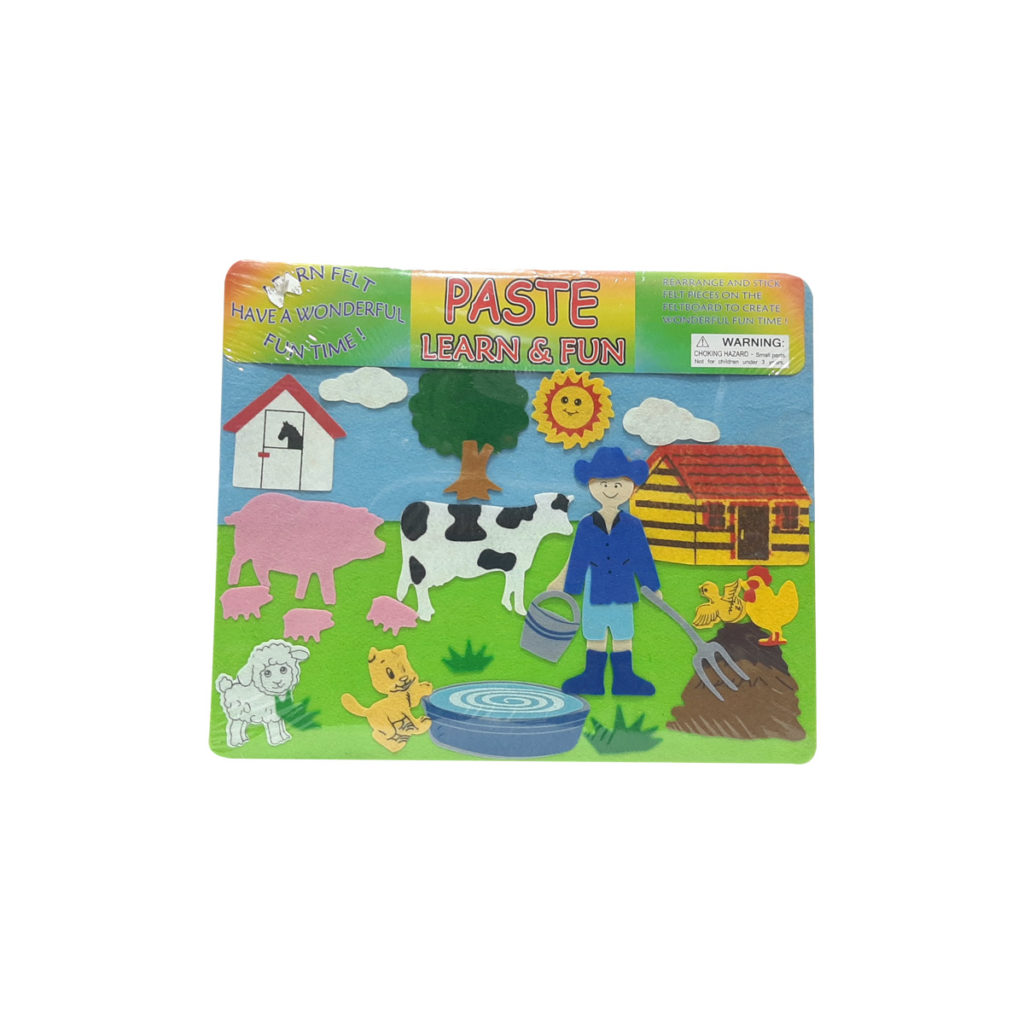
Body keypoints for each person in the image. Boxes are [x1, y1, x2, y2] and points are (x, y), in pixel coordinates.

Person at [549, 446, 661, 696]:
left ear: (630, 487)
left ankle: (625, 680)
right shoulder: (586, 524)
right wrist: (570, 587)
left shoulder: (633, 525)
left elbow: (642, 557)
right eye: (604, 484)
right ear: (592, 485)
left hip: (623, 589)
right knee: (595, 634)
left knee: (623, 633)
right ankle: (592, 679)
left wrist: (652, 586)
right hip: (595, 589)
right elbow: (579, 558)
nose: (611, 489)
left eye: (617, 484)